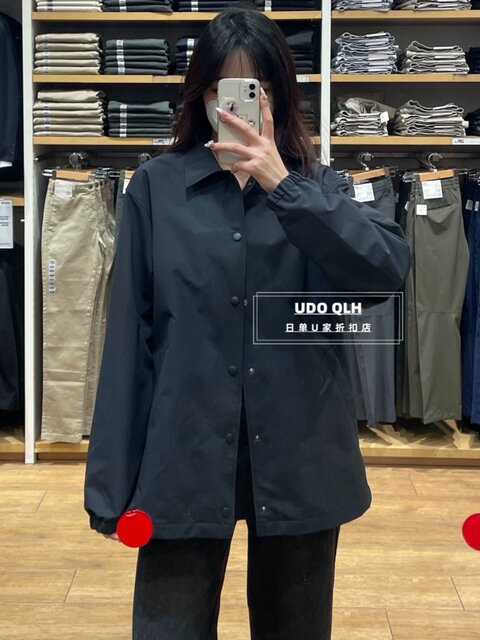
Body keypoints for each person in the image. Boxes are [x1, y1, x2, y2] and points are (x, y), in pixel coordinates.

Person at [84, 5, 412, 639]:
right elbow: (130, 340)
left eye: (251, 89)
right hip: (181, 454)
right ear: (201, 94)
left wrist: (282, 184)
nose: (232, 106)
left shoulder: (319, 187)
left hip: (299, 454)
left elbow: (385, 273)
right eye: (219, 88)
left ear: (278, 96)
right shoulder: (155, 189)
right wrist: (110, 484)